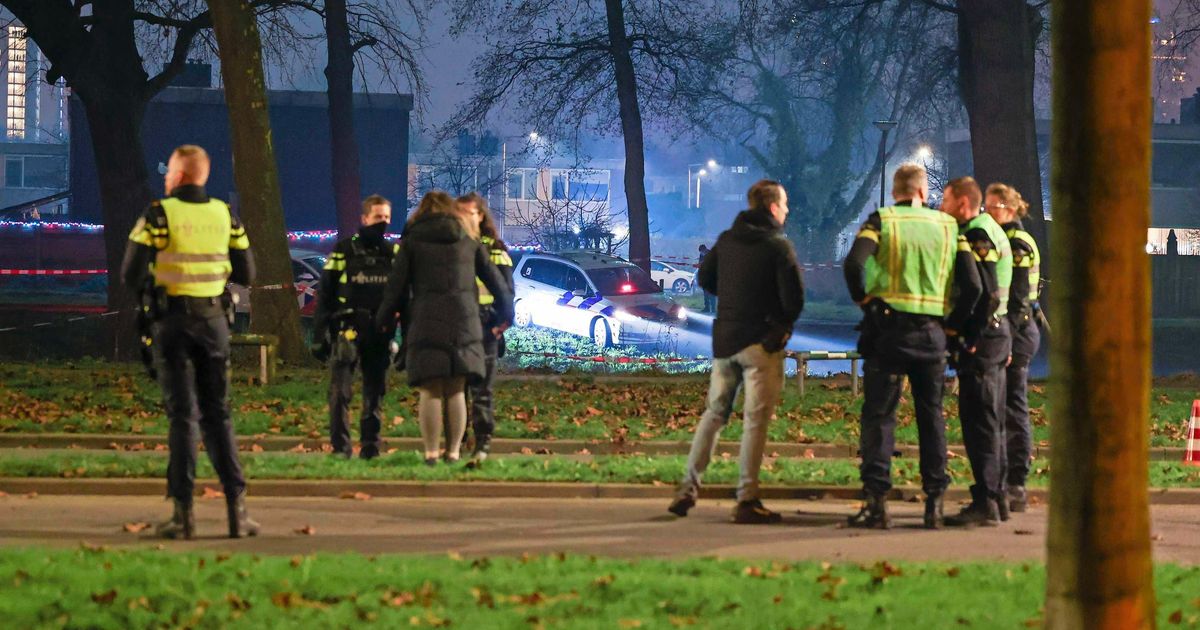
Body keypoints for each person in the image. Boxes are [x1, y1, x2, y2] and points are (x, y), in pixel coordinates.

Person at [120, 145, 258, 539]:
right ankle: (238, 511)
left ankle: (184, 516)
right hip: (214, 321)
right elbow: (248, 272)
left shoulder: (158, 214)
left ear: (179, 176)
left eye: (169, 173)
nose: (165, 178)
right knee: (219, 414)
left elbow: (130, 274)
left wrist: (155, 289)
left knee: (183, 417)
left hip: (171, 324)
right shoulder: (225, 215)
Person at [842, 164, 983, 529]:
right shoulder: (949, 227)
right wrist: (952, 327)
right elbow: (973, 286)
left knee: (879, 416)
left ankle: (876, 504)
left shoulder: (882, 220)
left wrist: (867, 302)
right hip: (932, 336)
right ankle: (934, 504)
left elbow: (854, 263)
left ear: (895, 191)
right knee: (931, 417)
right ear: (924, 192)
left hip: (888, 333)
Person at [668, 180, 804, 524]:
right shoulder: (777, 246)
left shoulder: (727, 240)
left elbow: (705, 279)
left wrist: (730, 301)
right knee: (755, 422)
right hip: (761, 344)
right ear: (773, 207)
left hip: (725, 342)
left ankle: (687, 488)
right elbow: (795, 301)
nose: (786, 210)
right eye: (784, 204)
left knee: (714, 414)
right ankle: (747, 498)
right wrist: (779, 328)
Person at [375, 191, 514, 466]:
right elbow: (498, 284)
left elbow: (396, 288)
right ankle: (452, 453)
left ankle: (430, 453)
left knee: (430, 390)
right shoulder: (468, 240)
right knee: (455, 388)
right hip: (466, 323)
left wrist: (384, 322)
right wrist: (504, 317)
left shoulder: (412, 242)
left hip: (426, 321)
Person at [940, 176, 1014, 527]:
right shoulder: (989, 228)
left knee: (979, 422)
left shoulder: (976, 234)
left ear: (963, 204)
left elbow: (984, 293)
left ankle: (985, 500)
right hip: (997, 335)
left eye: (946, 200)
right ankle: (996, 498)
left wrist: (961, 330)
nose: (942, 207)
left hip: (983, 338)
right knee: (993, 420)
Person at [312, 194, 398, 460]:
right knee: (340, 393)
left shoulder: (393, 253)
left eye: (386, 218)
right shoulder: (344, 251)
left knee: (375, 394)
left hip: (380, 332)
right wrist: (319, 334)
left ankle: (370, 448)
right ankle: (340, 448)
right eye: (377, 217)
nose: (382, 223)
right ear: (364, 218)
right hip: (346, 330)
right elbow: (325, 293)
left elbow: (402, 294)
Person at [984, 183, 1042, 514]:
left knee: (1013, 407)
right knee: (1003, 407)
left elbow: (1018, 299)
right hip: (1013, 331)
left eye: (993, 207)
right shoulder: (1005, 238)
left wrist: (1007, 338)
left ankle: (1017, 482)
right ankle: (1005, 479)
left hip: (1017, 333)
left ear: (1009, 208)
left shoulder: (1015, 241)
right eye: (986, 208)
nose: (989, 213)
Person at [457, 192, 515, 467]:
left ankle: (482, 444)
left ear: (481, 216)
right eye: (461, 214)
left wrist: (500, 324)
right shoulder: (453, 247)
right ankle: (456, 442)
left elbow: (507, 291)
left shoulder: (495, 250)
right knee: (457, 391)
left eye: (471, 213)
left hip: (486, 328)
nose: (466, 219)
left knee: (481, 392)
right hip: (457, 329)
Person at [698, 244, 716, 313]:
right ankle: (707, 308)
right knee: (705, 294)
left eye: (702, 251)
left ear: (704, 249)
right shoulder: (701, 255)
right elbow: (700, 263)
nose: (701, 253)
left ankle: (713, 309)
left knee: (711, 294)